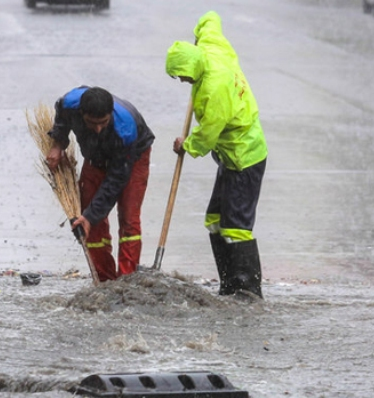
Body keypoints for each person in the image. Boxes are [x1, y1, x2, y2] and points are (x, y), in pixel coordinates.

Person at [165, 11, 268, 298]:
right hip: (229, 156)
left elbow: (209, 132)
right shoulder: (211, 47)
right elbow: (211, 19)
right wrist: (199, 35)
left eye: (183, 76)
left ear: (193, 68)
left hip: (243, 156)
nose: (183, 81)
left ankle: (248, 292)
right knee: (215, 220)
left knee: (236, 226)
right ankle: (229, 284)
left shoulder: (214, 88)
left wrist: (186, 145)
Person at [46, 86, 155, 282]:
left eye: (103, 123)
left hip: (132, 157)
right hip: (95, 157)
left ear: (110, 114)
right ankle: (104, 281)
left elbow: (116, 180)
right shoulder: (68, 104)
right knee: (89, 224)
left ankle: (125, 282)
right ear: (81, 113)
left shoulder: (125, 131)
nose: (98, 129)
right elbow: (61, 119)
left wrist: (90, 215)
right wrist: (58, 144)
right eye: (91, 123)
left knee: (129, 219)